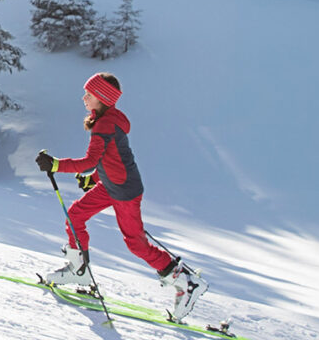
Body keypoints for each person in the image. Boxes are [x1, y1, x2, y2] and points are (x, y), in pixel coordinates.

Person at [35, 72, 208, 322]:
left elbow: (91, 159)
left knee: (135, 243)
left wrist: (56, 165)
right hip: (111, 185)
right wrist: (92, 179)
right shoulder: (106, 119)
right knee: (75, 215)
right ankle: (79, 269)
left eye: (90, 94)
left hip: (125, 191)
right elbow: (111, 157)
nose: (84, 98)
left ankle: (185, 283)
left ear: (103, 99)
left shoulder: (105, 124)